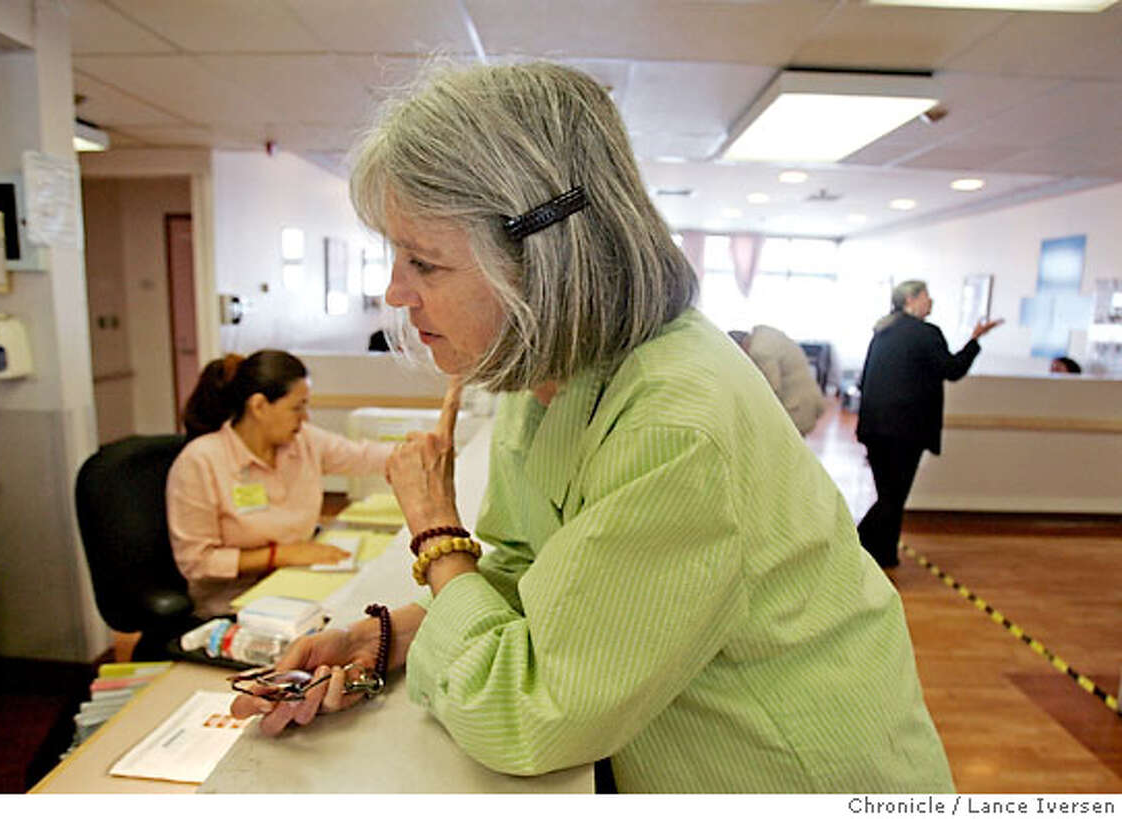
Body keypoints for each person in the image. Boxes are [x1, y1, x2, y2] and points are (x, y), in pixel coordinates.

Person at [231, 62, 954, 793]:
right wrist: (388, 637)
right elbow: (530, 575)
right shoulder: (548, 370)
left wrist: (436, 532)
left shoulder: (676, 422)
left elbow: (528, 715)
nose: (395, 291)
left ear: (540, 265)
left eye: (424, 261)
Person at [167, 350, 394, 617]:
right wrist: (281, 555)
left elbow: (364, 456)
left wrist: (424, 448)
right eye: (297, 407)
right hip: (234, 606)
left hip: (298, 582)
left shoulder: (303, 442)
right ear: (259, 406)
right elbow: (197, 562)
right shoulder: (200, 461)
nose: (305, 417)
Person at [856, 281, 1002, 569]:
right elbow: (953, 369)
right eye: (926, 297)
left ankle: (884, 553)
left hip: (875, 426)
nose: (931, 302)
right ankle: (856, 544)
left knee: (889, 494)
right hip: (905, 430)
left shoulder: (883, 331)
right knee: (894, 496)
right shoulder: (925, 333)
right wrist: (975, 340)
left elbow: (864, 380)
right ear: (911, 300)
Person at [732, 325, 826, 435]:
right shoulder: (763, 333)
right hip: (809, 398)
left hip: (796, 408)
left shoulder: (760, 351)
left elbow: (771, 389)